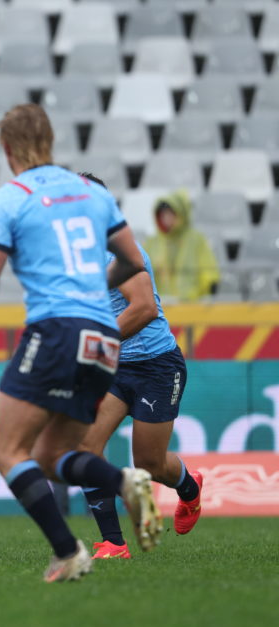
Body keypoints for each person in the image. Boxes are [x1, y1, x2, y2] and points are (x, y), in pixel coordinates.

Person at [0, 104, 163, 582]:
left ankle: (68, 551)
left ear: (8, 150)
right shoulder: (93, 193)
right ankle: (123, 482)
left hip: (55, 330)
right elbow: (134, 261)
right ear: (50, 141)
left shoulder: (10, 199)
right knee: (54, 458)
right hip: (102, 339)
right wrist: (94, 283)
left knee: (5, 450)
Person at [76, 173, 203, 559]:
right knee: (85, 447)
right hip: (116, 367)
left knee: (149, 463)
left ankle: (189, 488)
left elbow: (144, 309)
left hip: (156, 366)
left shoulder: (119, 249)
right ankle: (113, 543)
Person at [143, 189, 220, 302]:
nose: (166, 218)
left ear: (180, 214)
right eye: (163, 215)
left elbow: (208, 269)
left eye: (170, 214)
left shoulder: (196, 239)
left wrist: (209, 286)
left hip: (192, 306)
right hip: (161, 307)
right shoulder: (152, 242)